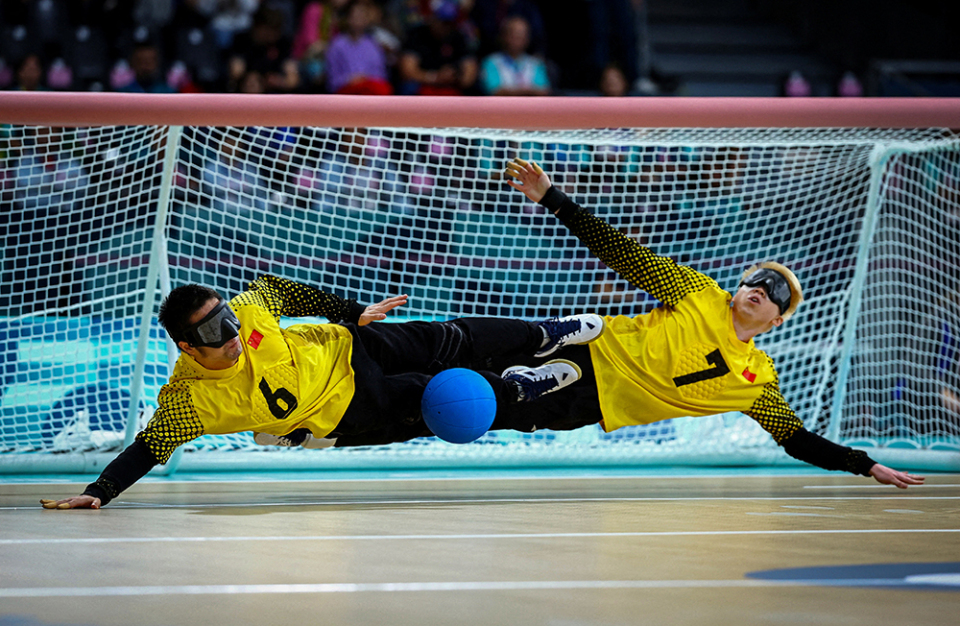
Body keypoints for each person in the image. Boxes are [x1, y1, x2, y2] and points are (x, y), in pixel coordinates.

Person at [497, 158, 924, 489]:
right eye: (758, 279)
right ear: (740, 287)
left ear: (778, 320)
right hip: (584, 349)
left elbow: (795, 438)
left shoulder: (756, 380)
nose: (763, 288)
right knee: (469, 352)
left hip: (589, 405)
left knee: (477, 411)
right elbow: (624, 253)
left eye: (777, 292)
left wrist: (863, 464)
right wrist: (554, 198)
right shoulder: (698, 292)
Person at [40, 275, 604, 509]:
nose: (231, 334)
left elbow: (287, 292)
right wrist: (100, 490)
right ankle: (515, 390)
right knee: (436, 395)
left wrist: (353, 311)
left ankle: (541, 334)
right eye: (213, 332)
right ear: (188, 347)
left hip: (351, 345)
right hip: (344, 410)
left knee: (450, 336)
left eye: (228, 319)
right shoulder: (191, 402)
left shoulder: (249, 312)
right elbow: (149, 446)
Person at [325, 0, 393, 95]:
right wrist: (350, 79)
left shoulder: (374, 45)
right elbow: (332, 82)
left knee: (384, 89)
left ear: (367, 20)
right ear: (348, 18)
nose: (358, 20)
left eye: (361, 16)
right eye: (355, 16)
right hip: (346, 90)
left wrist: (365, 78)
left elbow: (381, 76)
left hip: (370, 88)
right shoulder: (336, 46)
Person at [479, 15, 550, 96]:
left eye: (522, 34)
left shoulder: (536, 63)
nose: (518, 38)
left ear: (528, 38)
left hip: (532, 104)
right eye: (514, 34)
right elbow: (495, 91)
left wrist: (514, 91)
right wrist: (528, 91)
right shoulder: (491, 62)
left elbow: (543, 91)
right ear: (504, 36)